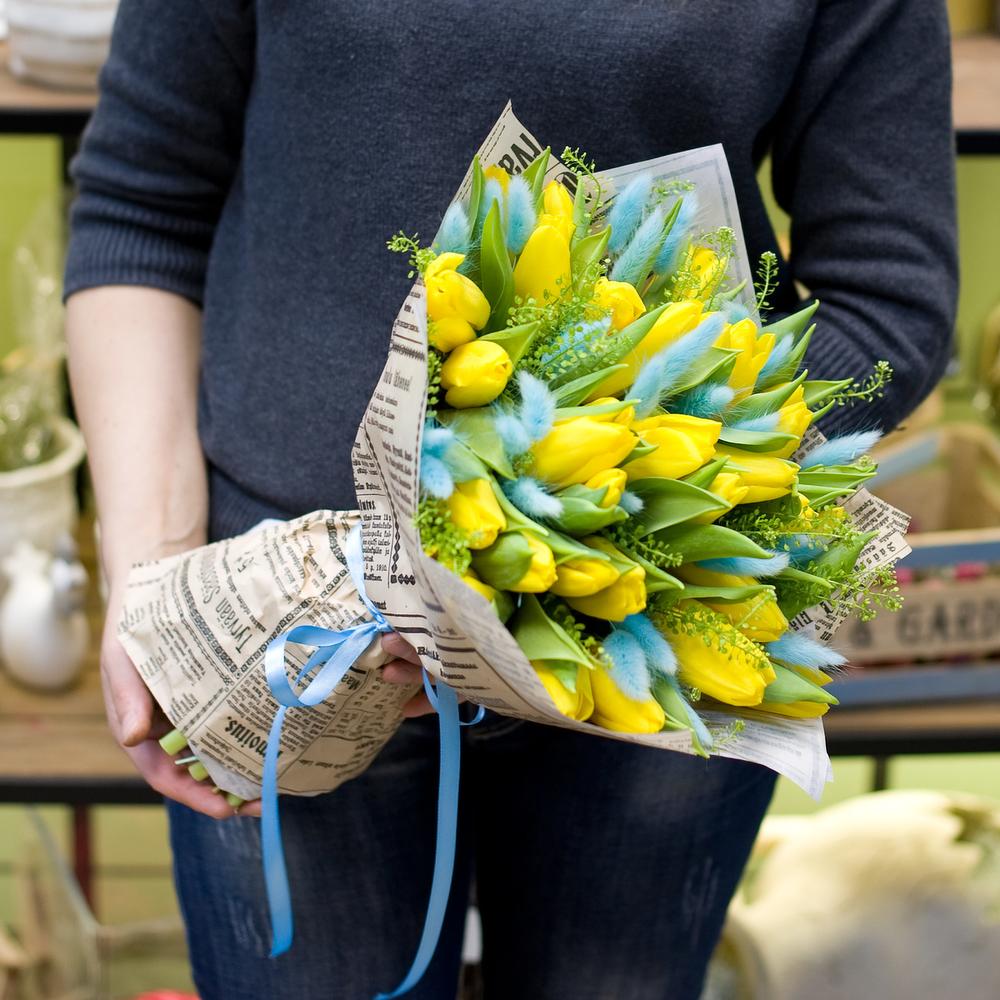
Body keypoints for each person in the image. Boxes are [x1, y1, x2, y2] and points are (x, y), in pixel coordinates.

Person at [64, 1, 957, 997]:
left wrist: (578, 524)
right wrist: (153, 566)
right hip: (284, 617)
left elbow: (886, 291)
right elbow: (144, 205)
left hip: (652, 630)